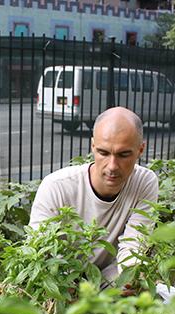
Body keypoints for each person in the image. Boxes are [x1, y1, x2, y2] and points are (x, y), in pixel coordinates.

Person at [28, 107, 159, 286]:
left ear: (140, 150)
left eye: (123, 154)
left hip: (111, 282)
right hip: (62, 285)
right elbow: (38, 252)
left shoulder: (145, 182)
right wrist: (65, 287)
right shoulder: (56, 187)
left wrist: (130, 279)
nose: (112, 166)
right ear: (93, 147)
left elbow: (134, 245)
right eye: (103, 153)